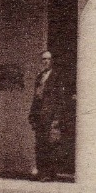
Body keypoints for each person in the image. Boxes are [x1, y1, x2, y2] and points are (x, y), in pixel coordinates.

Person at [29, 50, 60, 181]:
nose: (45, 61)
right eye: (43, 59)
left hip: (50, 116)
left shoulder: (56, 76)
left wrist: (57, 118)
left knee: (50, 145)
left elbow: (59, 99)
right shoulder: (39, 76)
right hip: (39, 115)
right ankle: (42, 172)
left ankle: (49, 173)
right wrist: (32, 114)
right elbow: (36, 97)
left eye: (48, 59)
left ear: (52, 60)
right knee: (39, 145)